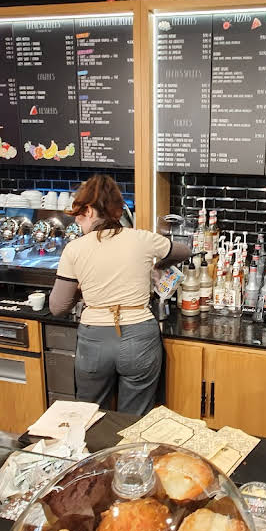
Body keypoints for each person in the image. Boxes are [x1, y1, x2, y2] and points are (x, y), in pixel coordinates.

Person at [49, 175, 190, 414]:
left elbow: (58, 306)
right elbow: (184, 250)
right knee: (133, 421)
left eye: (80, 214)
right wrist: (158, 266)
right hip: (140, 337)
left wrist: (81, 290)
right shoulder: (142, 238)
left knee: (90, 417)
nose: (79, 221)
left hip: (94, 341)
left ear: (91, 211)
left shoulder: (74, 249)